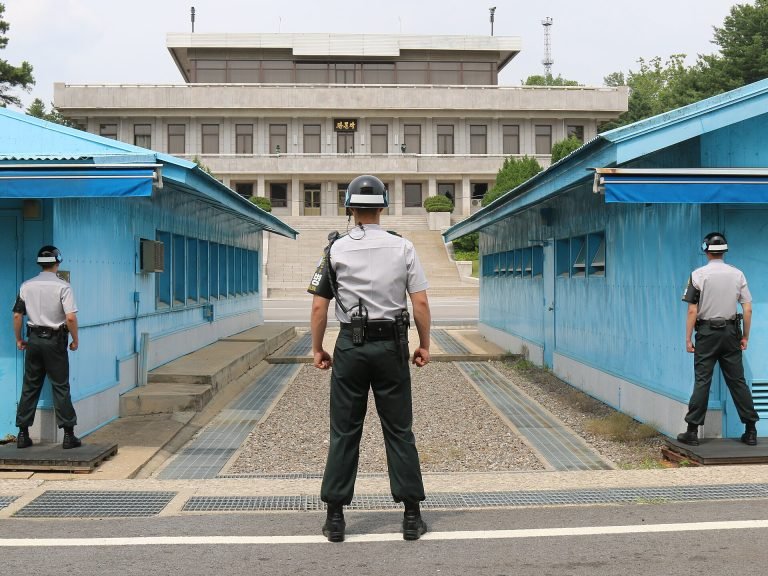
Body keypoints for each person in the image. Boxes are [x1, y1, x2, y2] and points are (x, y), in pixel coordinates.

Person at [308, 174, 431, 542]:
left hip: (351, 346)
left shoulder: (335, 250)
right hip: (392, 346)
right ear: (383, 207)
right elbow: (420, 302)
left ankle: (335, 518)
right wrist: (424, 344)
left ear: (349, 208)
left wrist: (318, 348)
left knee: (345, 430)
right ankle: (411, 516)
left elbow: (318, 307)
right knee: (398, 430)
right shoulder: (403, 247)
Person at [677, 232, 759, 447]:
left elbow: (692, 311)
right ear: (725, 250)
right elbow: (748, 309)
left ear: (705, 250)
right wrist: (745, 336)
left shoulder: (697, 275)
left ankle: (692, 432)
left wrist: (688, 339)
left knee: (703, 380)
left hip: (706, 333)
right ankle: (751, 430)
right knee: (737, 381)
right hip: (731, 333)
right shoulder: (738, 274)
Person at [12, 245, 82, 450]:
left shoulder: (26, 286)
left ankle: (22, 434)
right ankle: (68, 435)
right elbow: (70, 317)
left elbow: (17, 315)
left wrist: (19, 339)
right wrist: (75, 339)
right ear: (58, 261)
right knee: (60, 386)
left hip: (33, 340)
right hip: (55, 341)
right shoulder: (63, 286)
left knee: (30, 386)